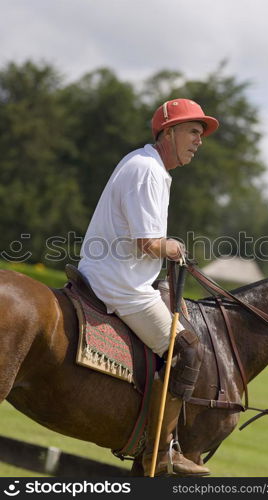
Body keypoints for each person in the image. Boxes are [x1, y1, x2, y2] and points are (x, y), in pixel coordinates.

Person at [78, 98, 219, 476]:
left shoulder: (146, 165)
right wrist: (173, 246)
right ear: (168, 132)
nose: (199, 140)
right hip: (121, 285)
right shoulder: (148, 171)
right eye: (193, 131)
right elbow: (148, 242)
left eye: (201, 133)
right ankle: (160, 451)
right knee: (189, 350)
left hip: (121, 275)